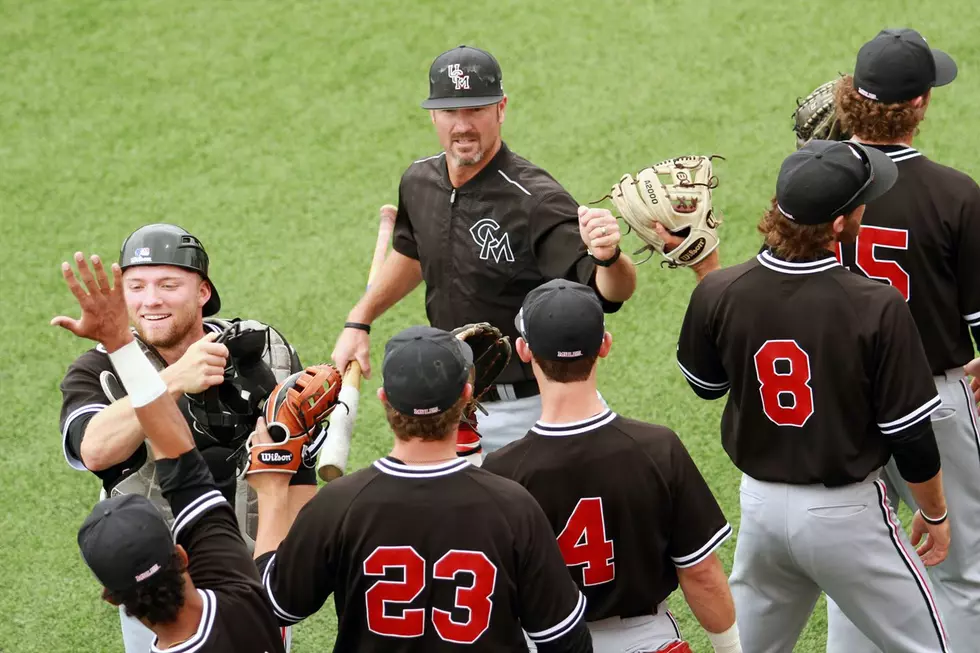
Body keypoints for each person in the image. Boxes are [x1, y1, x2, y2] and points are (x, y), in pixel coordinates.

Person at [675, 140, 952, 652]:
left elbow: (706, 384)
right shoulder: (876, 305)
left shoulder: (720, 290)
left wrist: (705, 270)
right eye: (863, 201)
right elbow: (909, 436)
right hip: (845, 519)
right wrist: (934, 513)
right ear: (842, 223)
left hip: (758, 511)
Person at [331, 45, 637, 453]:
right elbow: (413, 251)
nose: (463, 126)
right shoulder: (419, 182)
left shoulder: (535, 199)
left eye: (475, 109)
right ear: (433, 116)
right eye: (450, 112)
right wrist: (360, 319)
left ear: (501, 109)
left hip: (530, 409)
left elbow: (609, 292)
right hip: (452, 407)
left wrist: (611, 257)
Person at [253, 325, 594, 652]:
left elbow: (270, 606)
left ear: (385, 401)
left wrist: (272, 489)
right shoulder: (514, 507)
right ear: (466, 395)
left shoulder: (339, 506)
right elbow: (565, 640)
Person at [56, 224, 310, 652]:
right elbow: (94, 450)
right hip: (161, 591)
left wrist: (286, 562)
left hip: (259, 568)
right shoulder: (96, 370)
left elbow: (297, 465)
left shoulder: (263, 348)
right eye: (136, 286)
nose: (150, 299)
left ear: (203, 292)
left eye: (168, 284)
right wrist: (173, 380)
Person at [823, 28, 980, 653]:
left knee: (858, 574)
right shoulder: (954, 193)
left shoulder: (817, 188)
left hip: (842, 403)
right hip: (935, 401)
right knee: (962, 569)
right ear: (919, 105)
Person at [482, 279, 741, 653]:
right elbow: (701, 574)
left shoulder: (502, 470)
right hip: (646, 640)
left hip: (550, 644)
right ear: (604, 345)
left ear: (524, 351)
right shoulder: (657, 448)